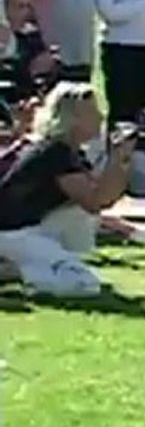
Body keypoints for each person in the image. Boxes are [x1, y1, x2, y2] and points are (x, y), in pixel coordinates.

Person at [0, 84, 132, 297]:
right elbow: (95, 202)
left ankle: (37, 263)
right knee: (85, 286)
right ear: (72, 118)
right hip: (11, 232)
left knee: (78, 212)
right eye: (92, 113)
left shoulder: (68, 150)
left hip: (27, 226)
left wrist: (120, 159)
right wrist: (117, 160)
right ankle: (15, 273)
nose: (100, 118)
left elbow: (101, 200)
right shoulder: (56, 152)